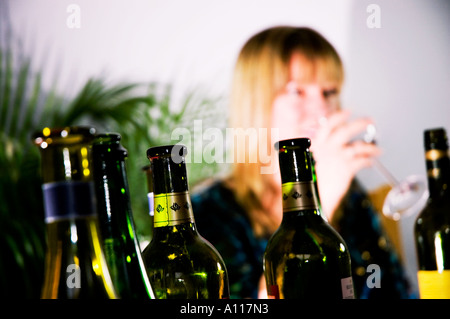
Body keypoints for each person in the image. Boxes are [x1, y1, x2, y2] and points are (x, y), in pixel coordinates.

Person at [191, 26, 415, 299]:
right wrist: (321, 201)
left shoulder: (351, 194)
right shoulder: (209, 213)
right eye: (297, 92)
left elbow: (397, 290)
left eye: (329, 92)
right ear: (256, 104)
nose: (321, 109)